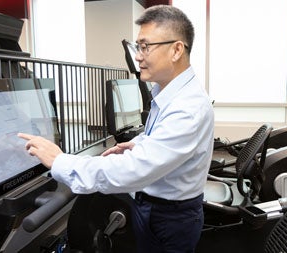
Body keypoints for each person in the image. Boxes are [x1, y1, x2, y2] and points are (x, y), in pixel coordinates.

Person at [18, 5, 214, 253]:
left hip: (169, 217)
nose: (139, 56)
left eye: (145, 46)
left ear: (176, 49)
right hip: (161, 207)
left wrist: (60, 161)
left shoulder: (187, 107)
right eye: (138, 47)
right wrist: (140, 144)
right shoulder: (171, 93)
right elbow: (161, 137)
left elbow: (133, 171)